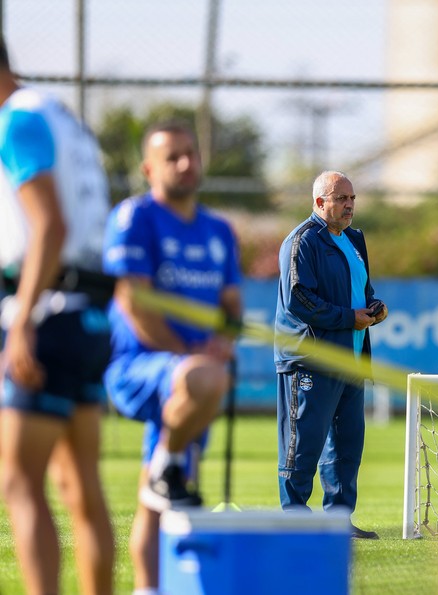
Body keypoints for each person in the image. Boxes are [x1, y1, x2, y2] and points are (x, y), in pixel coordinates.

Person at [103, 121, 241, 593]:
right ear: (147, 168)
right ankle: (169, 459)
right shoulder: (134, 217)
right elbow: (133, 302)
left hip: (191, 383)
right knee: (206, 380)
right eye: (172, 157)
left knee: (158, 498)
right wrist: (192, 356)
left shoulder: (219, 229)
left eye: (191, 154)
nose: (185, 163)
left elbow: (231, 307)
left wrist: (226, 337)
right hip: (139, 368)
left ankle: (147, 589)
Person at [0, 37, 116, 595]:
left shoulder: (16, 121)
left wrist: (21, 317)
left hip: (49, 313)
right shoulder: (61, 116)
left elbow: (49, 227)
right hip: (89, 316)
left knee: (20, 480)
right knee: (79, 483)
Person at [274, 170, 386, 539]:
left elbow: (361, 289)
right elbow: (299, 299)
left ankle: (337, 522)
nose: (349, 205)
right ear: (319, 202)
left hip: (351, 360)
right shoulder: (302, 241)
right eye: (341, 198)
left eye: (352, 198)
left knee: (347, 445)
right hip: (312, 360)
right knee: (303, 442)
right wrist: (347, 318)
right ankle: (295, 519)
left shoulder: (353, 240)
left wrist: (372, 307)